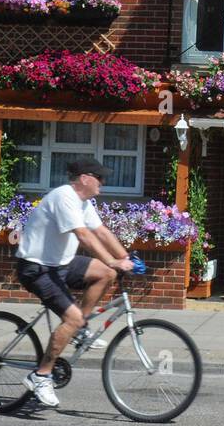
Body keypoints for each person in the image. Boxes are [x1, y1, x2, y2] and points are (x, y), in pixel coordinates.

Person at [13, 157, 134, 408]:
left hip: (60, 264)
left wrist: (124, 257)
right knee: (74, 317)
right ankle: (41, 375)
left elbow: (101, 231)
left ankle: (79, 328)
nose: (103, 182)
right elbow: (83, 235)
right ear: (85, 179)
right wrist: (112, 260)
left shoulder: (84, 202)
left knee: (104, 274)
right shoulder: (64, 197)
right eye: (99, 178)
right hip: (37, 268)